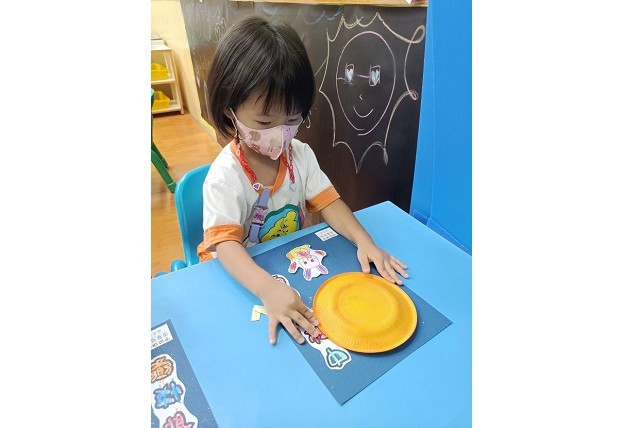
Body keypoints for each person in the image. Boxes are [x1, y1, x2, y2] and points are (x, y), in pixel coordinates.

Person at [197, 16, 409, 346]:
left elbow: (329, 203)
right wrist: (267, 288)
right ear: (229, 110)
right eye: (264, 122)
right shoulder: (225, 177)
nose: (279, 134)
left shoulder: (300, 155)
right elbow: (225, 246)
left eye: (292, 119)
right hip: (243, 277)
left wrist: (363, 240)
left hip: (289, 263)